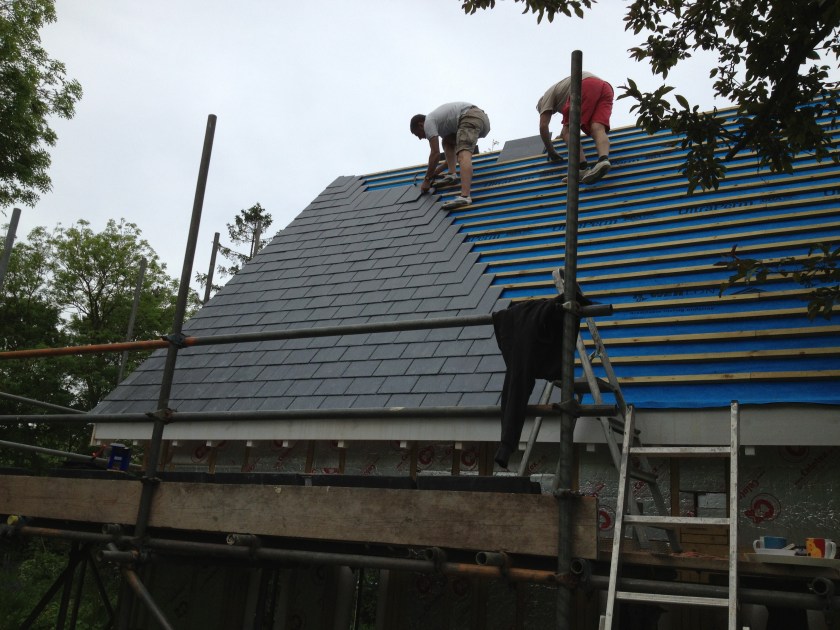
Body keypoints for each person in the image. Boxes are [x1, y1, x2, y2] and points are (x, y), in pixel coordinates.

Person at [410, 102, 490, 210]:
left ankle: (465, 196)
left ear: (421, 125)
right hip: (480, 118)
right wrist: (435, 173)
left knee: (463, 154)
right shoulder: (442, 126)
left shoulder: (428, 122)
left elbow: (435, 153)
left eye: (417, 134)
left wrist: (427, 179)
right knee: (447, 142)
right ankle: (452, 175)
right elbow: (450, 160)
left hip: (470, 117)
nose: (419, 138)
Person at [536, 72, 613, 185]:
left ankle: (582, 168)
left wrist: (551, 150)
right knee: (597, 127)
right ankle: (603, 160)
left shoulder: (547, 95)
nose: (552, 112)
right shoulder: (562, 94)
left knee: (568, 131)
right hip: (605, 87)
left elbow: (543, 126)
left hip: (583, 85)